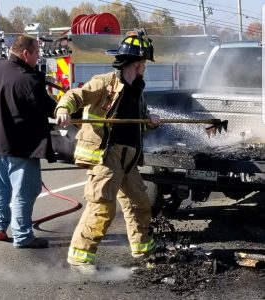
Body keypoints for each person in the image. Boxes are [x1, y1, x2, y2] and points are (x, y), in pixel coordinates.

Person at [55, 29, 161, 274]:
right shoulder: (104, 83)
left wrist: (149, 120)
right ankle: (80, 257)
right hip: (106, 156)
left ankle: (143, 248)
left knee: (139, 203)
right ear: (135, 63)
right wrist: (63, 110)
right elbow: (75, 95)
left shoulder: (137, 89)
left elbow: (135, 118)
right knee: (102, 206)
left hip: (129, 158)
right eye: (144, 62)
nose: (145, 66)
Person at [0, 34, 57, 248]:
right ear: (25, 53)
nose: (38, 57)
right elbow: (52, 108)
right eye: (37, 52)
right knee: (25, 191)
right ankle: (22, 236)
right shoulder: (28, 80)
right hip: (20, 147)